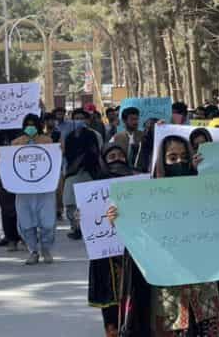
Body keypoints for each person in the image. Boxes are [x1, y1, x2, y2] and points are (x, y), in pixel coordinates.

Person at [109, 135, 219, 336]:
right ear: (162, 161)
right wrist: (118, 221)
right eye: (172, 157)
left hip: (202, 285)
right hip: (167, 287)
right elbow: (137, 238)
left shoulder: (206, 190)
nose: (179, 162)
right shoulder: (148, 196)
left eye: (184, 157)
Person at [88, 143, 134, 337]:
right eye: (111, 156)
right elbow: (90, 218)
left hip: (133, 252)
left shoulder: (138, 180)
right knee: (109, 293)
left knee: (133, 295)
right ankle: (112, 330)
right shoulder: (95, 186)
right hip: (105, 253)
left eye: (120, 155)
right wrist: (82, 216)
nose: (116, 159)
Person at [10, 114, 58, 265]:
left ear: (39, 125)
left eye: (33, 124)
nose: (30, 127)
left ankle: (46, 249)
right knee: (26, 222)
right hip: (24, 191)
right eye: (27, 124)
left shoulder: (47, 142)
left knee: (48, 222)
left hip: (44, 189)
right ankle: (33, 251)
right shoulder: (15, 143)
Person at [63, 113, 103, 240]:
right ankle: (75, 227)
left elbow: (97, 152)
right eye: (76, 118)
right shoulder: (68, 136)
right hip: (72, 173)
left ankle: (85, 228)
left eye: (82, 118)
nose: (79, 121)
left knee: (86, 203)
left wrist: (84, 158)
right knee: (70, 202)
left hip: (89, 172)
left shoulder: (93, 135)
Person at [110, 108, 146, 172]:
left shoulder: (144, 136)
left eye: (136, 119)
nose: (135, 122)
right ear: (124, 121)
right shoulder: (116, 138)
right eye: (132, 119)